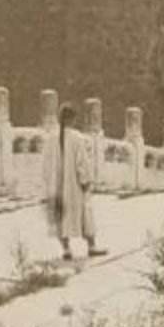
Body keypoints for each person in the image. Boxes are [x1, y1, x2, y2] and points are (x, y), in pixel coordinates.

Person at [47, 103, 107, 260]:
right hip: (74, 186)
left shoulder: (51, 138)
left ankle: (66, 249)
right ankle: (91, 246)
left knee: (61, 216)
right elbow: (82, 163)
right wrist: (86, 181)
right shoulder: (77, 138)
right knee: (85, 213)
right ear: (70, 119)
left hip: (57, 185)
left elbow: (46, 163)